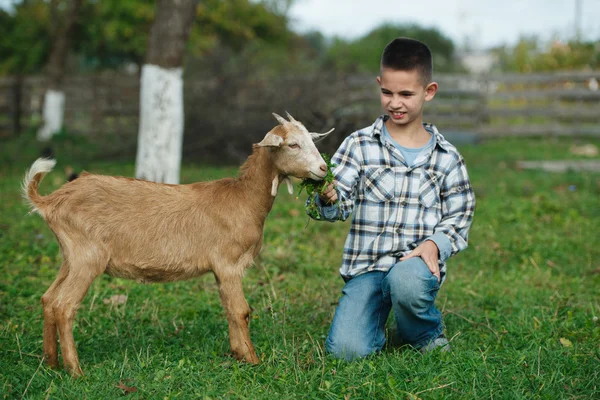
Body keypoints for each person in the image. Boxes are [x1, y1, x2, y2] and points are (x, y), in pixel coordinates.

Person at [309, 37, 476, 360]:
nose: (395, 103)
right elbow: (338, 204)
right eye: (387, 92)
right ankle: (373, 317)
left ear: (429, 91)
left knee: (407, 283)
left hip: (413, 267)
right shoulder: (359, 145)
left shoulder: (446, 157)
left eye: (406, 94)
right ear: (379, 85)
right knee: (346, 351)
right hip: (368, 267)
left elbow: (461, 213)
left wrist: (435, 244)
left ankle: (420, 330)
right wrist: (329, 198)